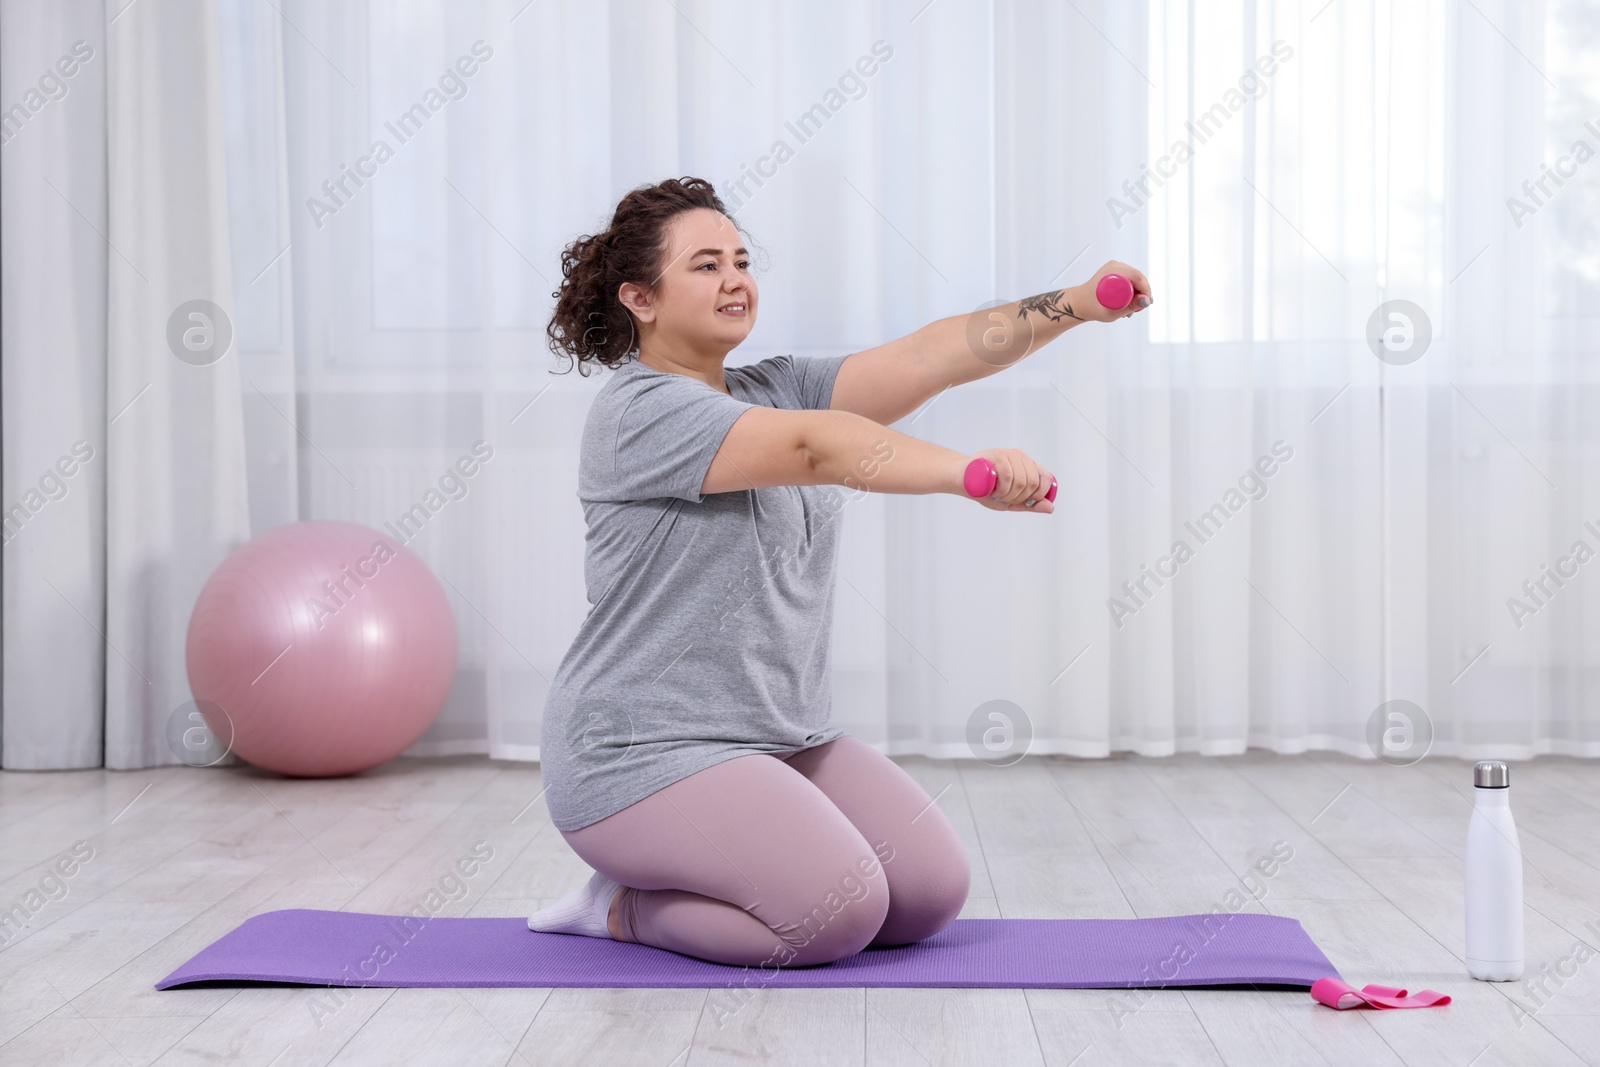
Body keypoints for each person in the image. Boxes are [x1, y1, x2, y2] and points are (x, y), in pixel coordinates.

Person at [528, 176, 1151, 969]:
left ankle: (726, 864)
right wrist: (971, 473)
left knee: (928, 893)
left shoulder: (774, 389)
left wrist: (1077, 303)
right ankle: (618, 907)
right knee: (836, 912)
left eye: (742, 260)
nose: (735, 279)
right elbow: (818, 447)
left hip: (779, 736)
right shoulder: (639, 412)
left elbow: (932, 354)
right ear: (640, 299)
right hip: (637, 751)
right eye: (706, 264)